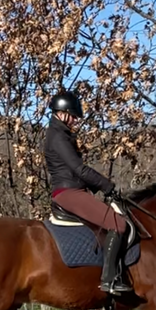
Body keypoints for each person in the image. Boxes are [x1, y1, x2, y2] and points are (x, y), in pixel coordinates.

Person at [43, 90, 132, 294]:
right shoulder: (58, 137)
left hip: (72, 189)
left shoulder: (61, 134)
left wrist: (97, 188)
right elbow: (79, 169)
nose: (75, 121)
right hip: (68, 193)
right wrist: (107, 186)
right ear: (62, 113)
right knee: (118, 224)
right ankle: (109, 279)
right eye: (73, 116)